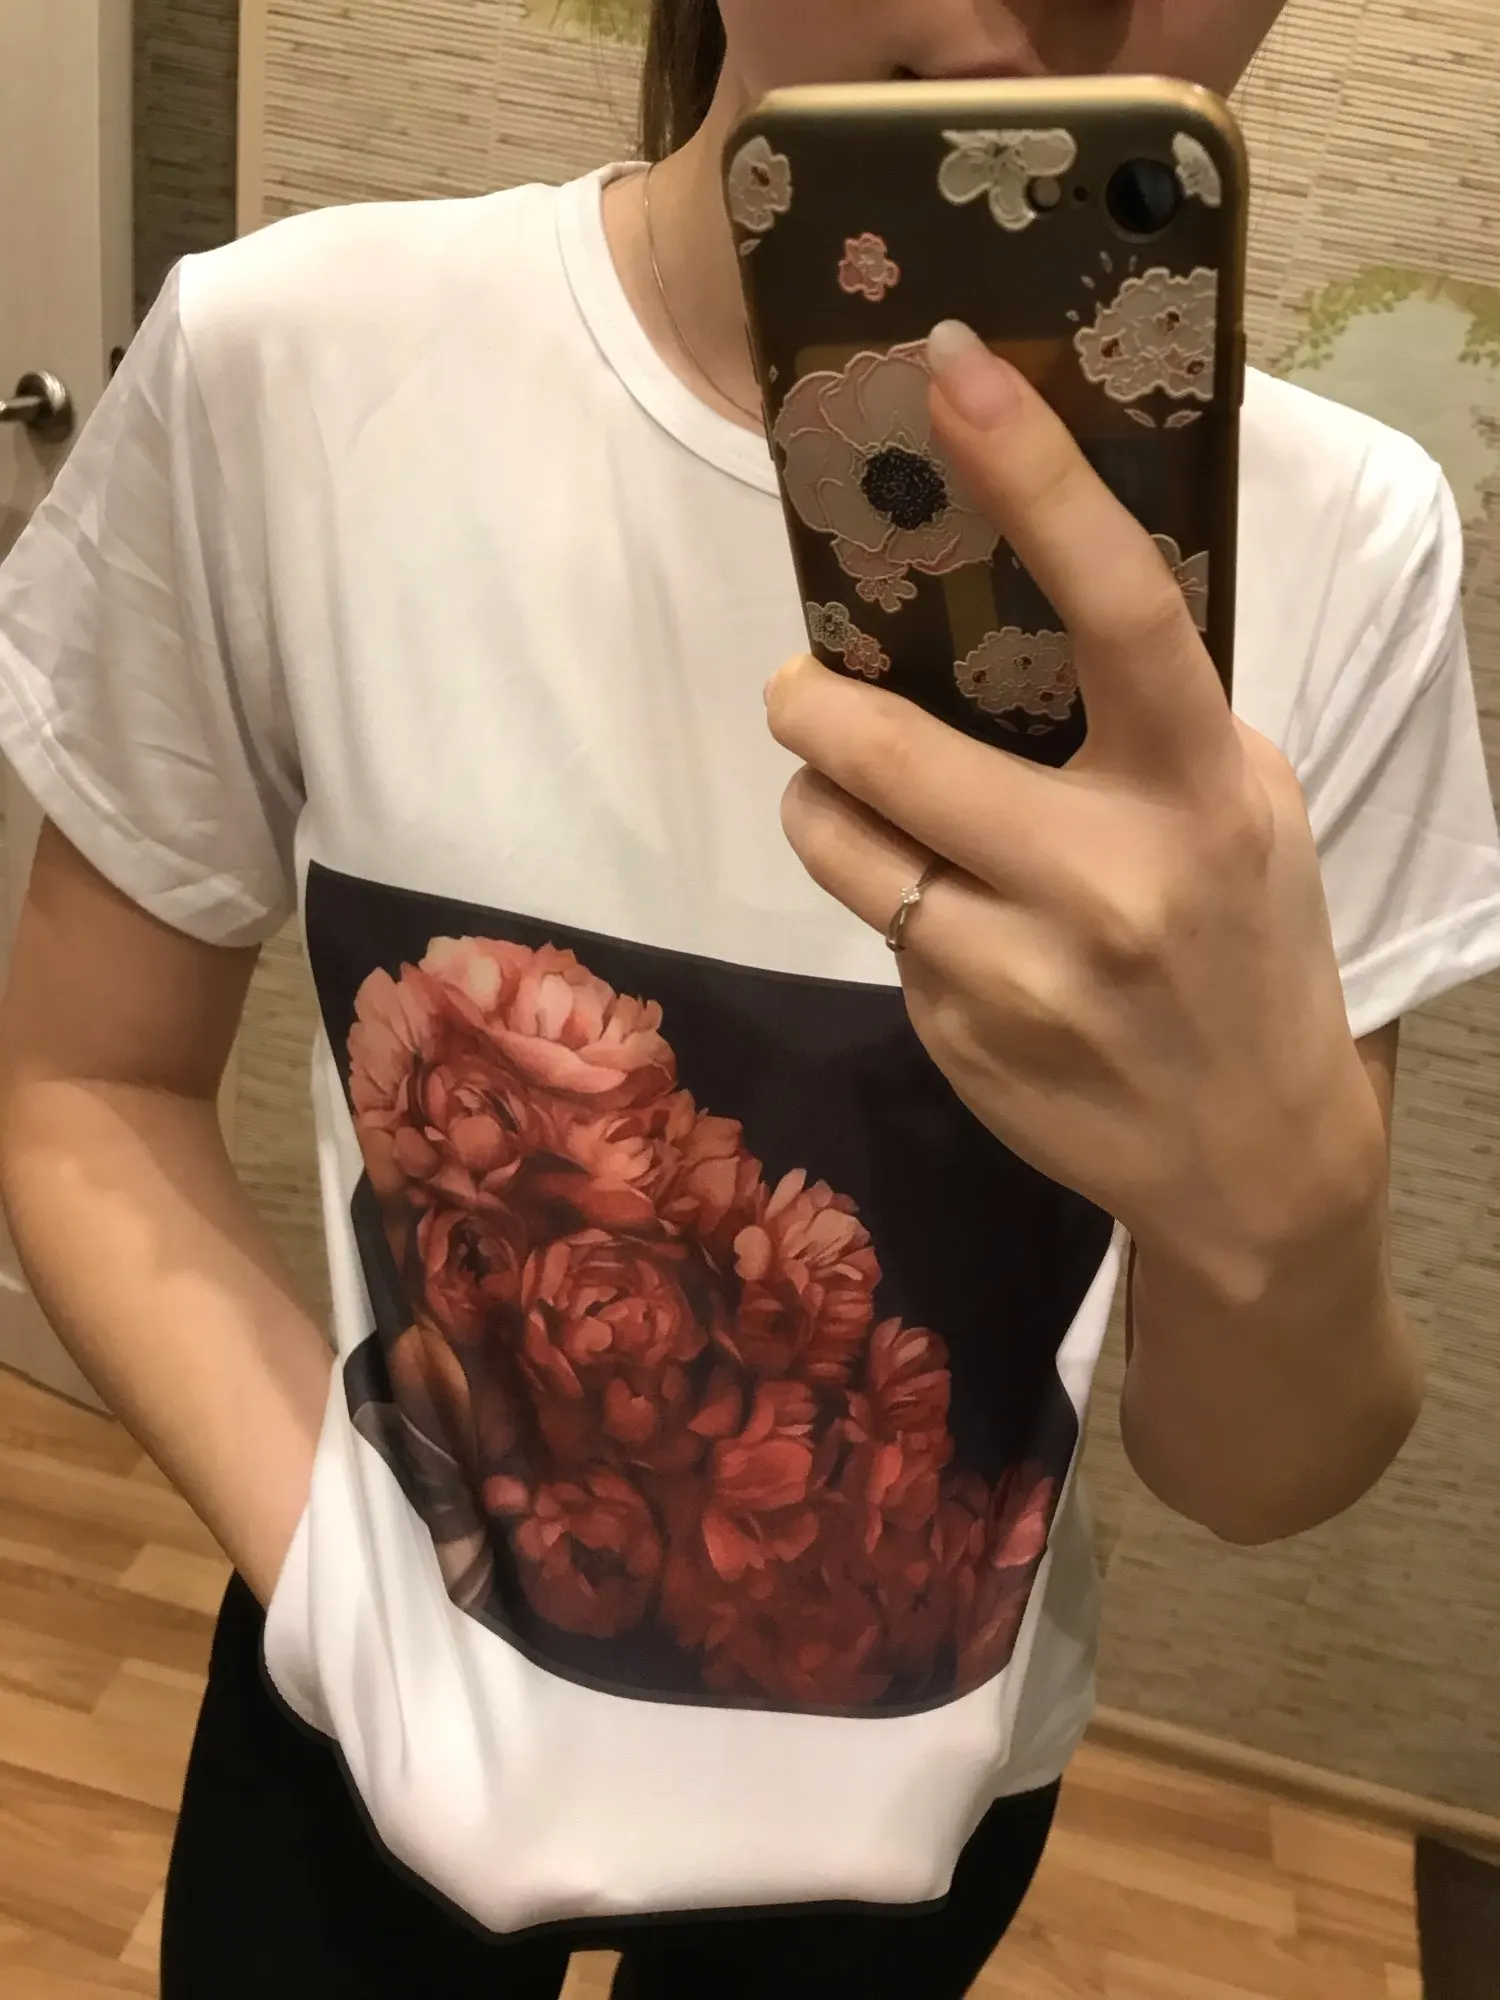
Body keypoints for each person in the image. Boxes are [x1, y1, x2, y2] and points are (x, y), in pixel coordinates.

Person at [0, 2, 1496, 1994]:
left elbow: (1249, 1469)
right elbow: (88, 1083)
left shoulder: (1344, 548)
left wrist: (1285, 1214)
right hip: (365, 1716)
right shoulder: (290, 364)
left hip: (906, 1801)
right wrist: (350, 1596)